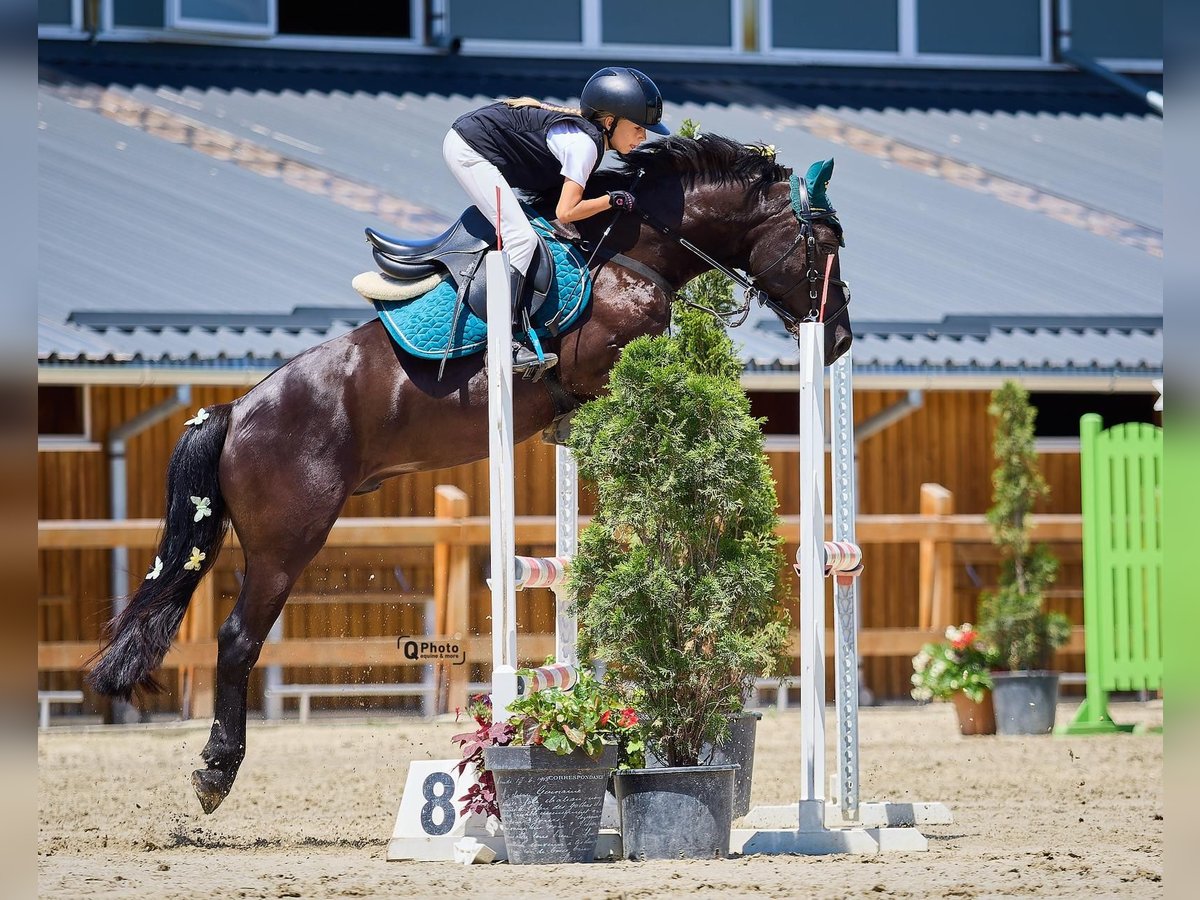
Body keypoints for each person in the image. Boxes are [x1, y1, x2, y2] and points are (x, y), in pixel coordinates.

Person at [445, 66, 669, 374]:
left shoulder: (589, 140)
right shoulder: (585, 146)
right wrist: (610, 200)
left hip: (477, 144)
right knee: (521, 239)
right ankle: (502, 342)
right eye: (637, 128)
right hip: (469, 150)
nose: (643, 137)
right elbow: (566, 213)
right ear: (609, 122)